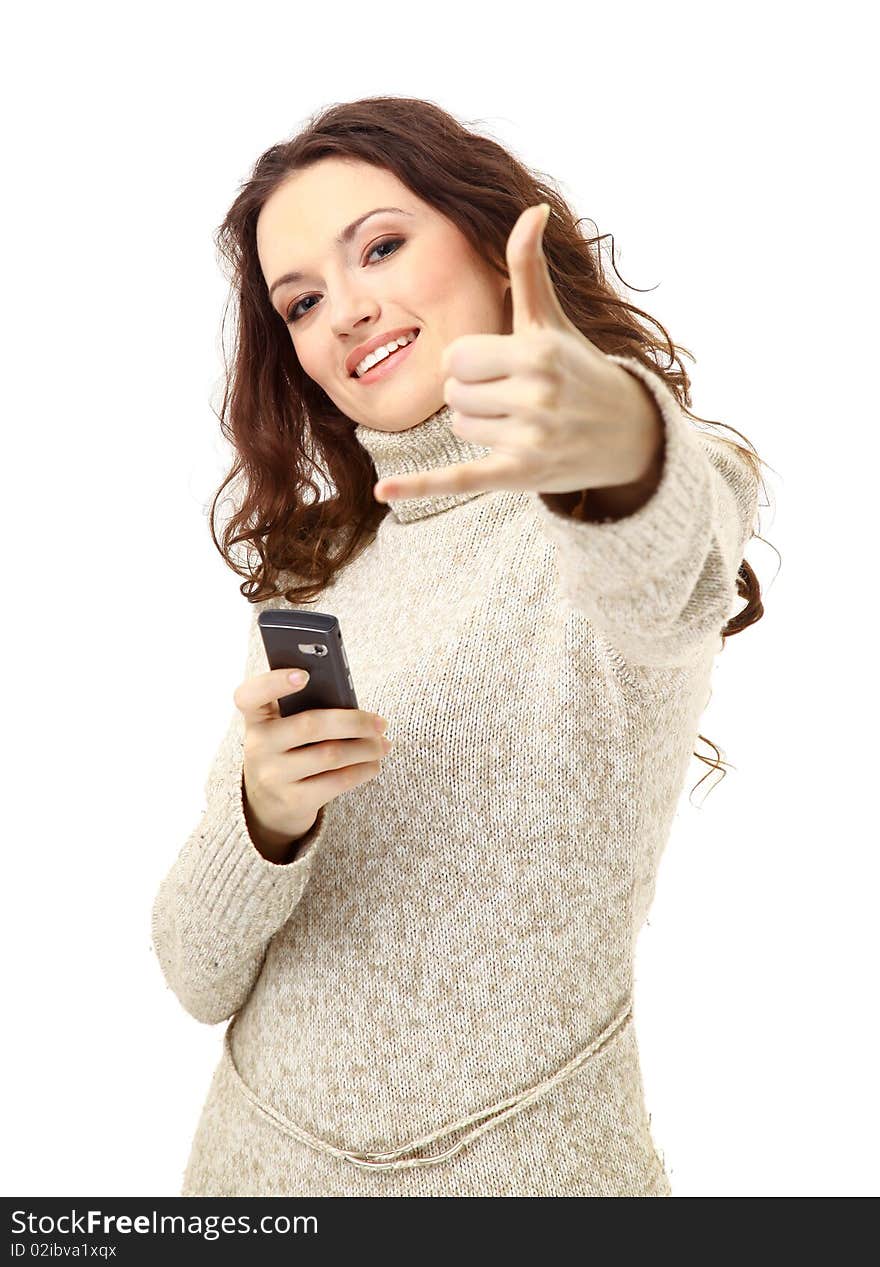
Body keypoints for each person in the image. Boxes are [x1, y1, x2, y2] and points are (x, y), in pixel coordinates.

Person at [151, 96, 769, 1197]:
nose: (345, 310)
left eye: (380, 245)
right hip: (247, 1183)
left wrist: (617, 438)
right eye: (300, 302)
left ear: (491, 245)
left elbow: (669, 568)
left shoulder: (609, 502)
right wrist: (266, 819)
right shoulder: (318, 573)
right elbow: (196, 973)